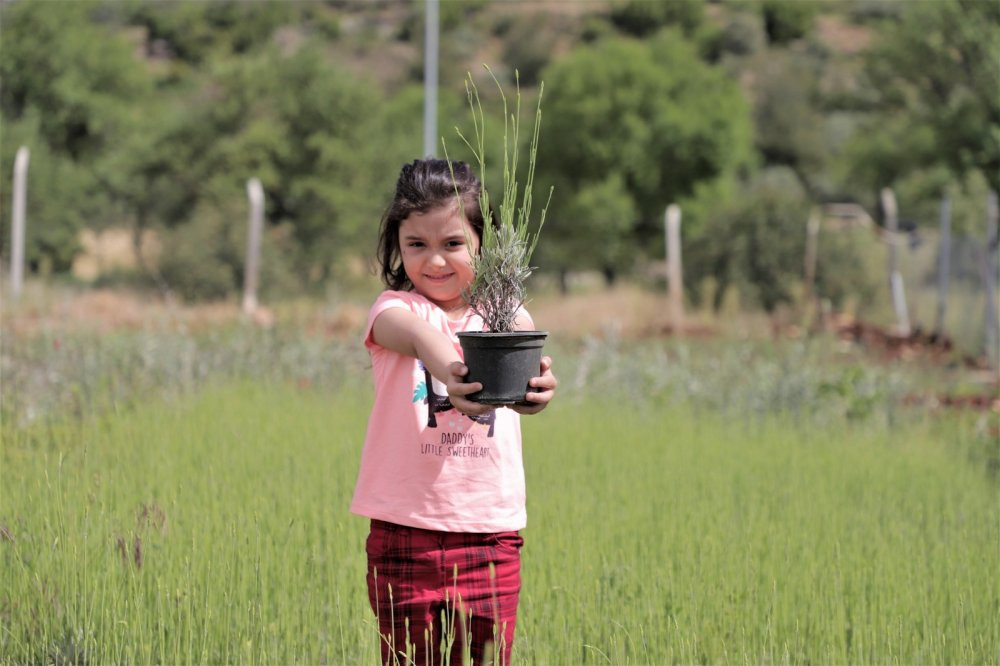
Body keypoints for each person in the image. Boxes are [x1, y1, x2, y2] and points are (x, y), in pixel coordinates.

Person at [351, 158, 557, 665]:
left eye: (453, 244)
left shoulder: (506, 317)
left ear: (483, 243)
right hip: (405, 533)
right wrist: (455, 374)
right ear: (397, 247)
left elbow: (528, 382)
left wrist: (538, 393)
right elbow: (420, 339)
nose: (435, 262)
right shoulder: (393, 310)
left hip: (489, 535)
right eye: (416, 245)